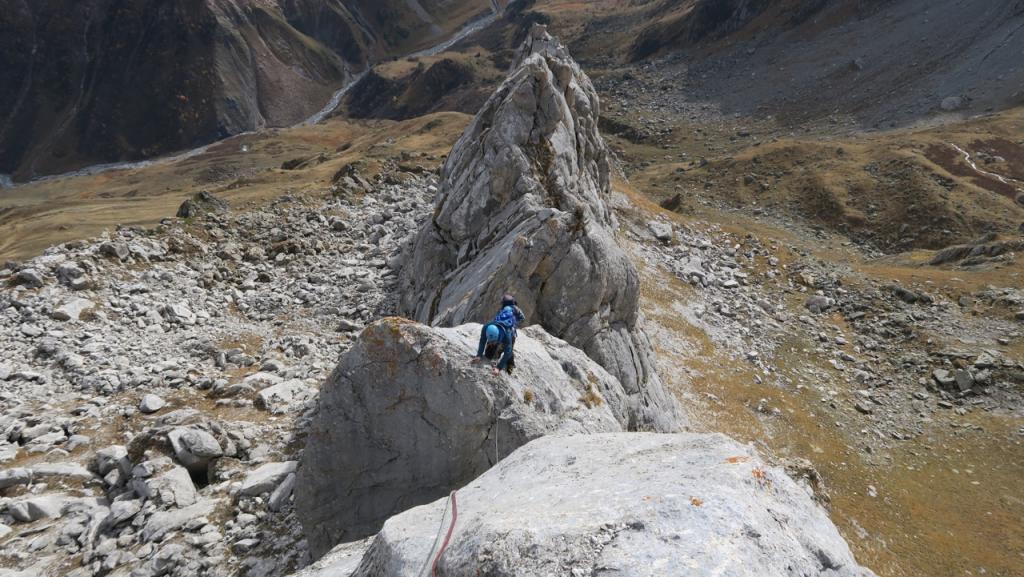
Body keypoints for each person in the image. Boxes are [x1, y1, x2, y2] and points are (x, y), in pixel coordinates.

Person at [472, 295, 526, 374]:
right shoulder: (486, 327)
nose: (492, 342)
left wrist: (498, 368)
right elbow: (483, 340)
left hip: (510, 331)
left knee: (508, 350)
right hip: (501, 328)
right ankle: (491, 356)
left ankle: (510, 365)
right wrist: (479, 355)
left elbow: (508, 351)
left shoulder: (507, 335)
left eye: (494, 341)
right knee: (489, 353)